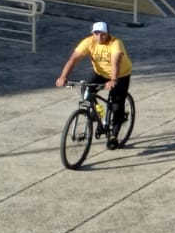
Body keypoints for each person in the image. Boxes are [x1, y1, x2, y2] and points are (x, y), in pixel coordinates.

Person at [53, 19, 132, 148]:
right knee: (86, 89)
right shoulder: (88, 42)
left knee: (117, 103)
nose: (99, 37)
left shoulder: (116, 43)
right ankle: (97, 112)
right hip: (100, 73)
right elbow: (73, 60)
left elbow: (115, 63)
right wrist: (63, 77)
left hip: (120, 74)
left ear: (108, 34)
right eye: (96, 34)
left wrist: (113, 80)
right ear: (92, 34)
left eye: (102, 34)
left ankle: (114, 136)